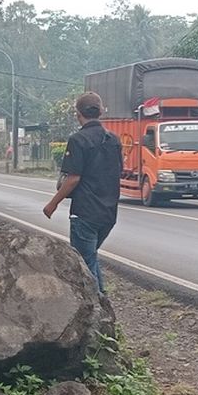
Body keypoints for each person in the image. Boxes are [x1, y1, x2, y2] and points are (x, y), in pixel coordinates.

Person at [43, 92, 122, 293]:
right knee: (90, 258)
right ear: (101, 111)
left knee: (84, 265)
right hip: (108, 213)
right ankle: (102, 300)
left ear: (78, 114)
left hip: (85, 213)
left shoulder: (78, 140)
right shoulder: (114, 140)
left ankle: (96, 305)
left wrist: (52, 204)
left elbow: (73, 178)